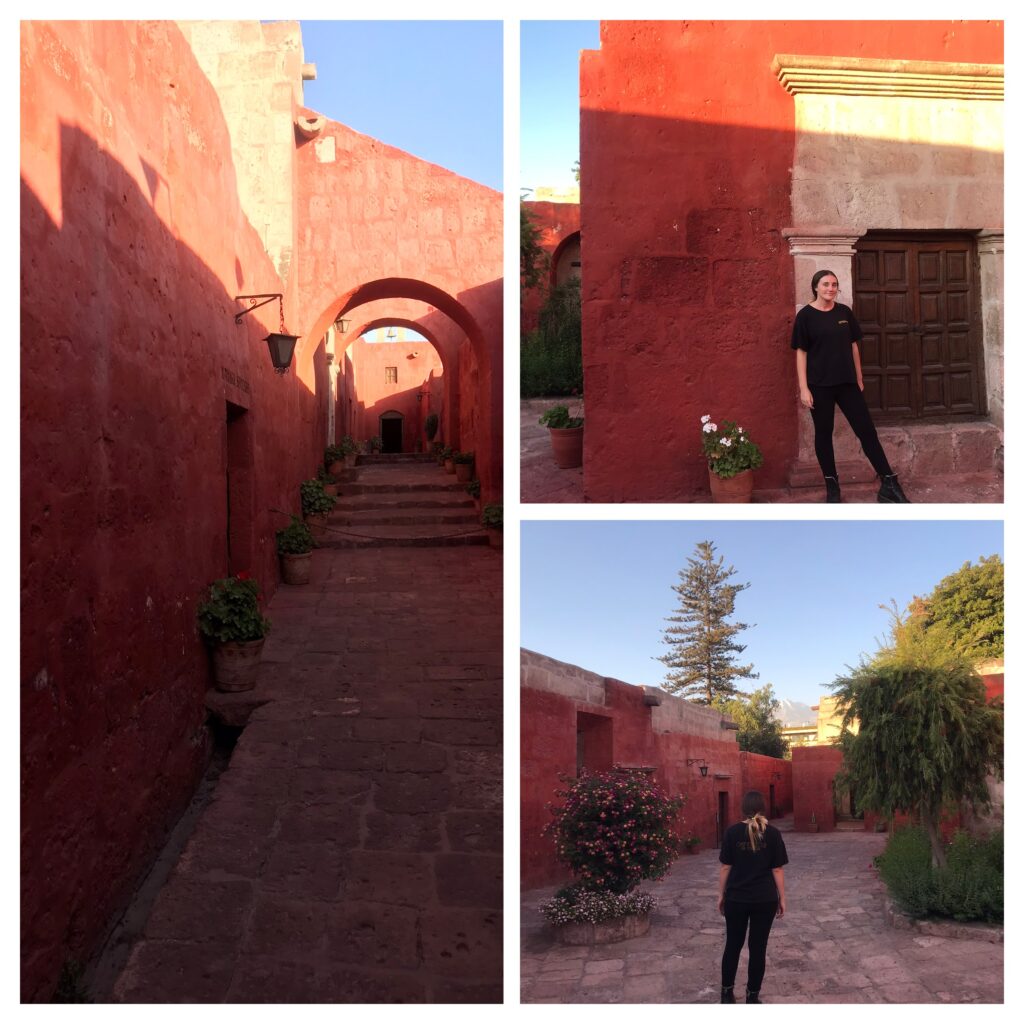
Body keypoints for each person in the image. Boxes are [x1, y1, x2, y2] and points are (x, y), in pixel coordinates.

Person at [791, 270, 910, 503]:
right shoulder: (805, 316)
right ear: (816, 287)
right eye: (825, 284)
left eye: (834, 284)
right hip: (819, 386)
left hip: (847, 383)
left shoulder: (844, 312)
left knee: (867, 431)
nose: (830, 288)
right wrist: (804, 388)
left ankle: (889, 482)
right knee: (824, 435)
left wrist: (859, 377)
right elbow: (801, 352)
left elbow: (853, 346)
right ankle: (832, 487)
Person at [718, 791, 788, 1004]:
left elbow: (725, 867)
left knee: (733, 944)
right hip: (764, 899)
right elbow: (777, 870)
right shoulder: (773, 834)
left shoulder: (732, 832)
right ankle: (752, 997)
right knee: (758, 948)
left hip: (736, 899)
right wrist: (782, 898)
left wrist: (721, 895)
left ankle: (727, 994)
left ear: (743, 808)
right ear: (762, 808)